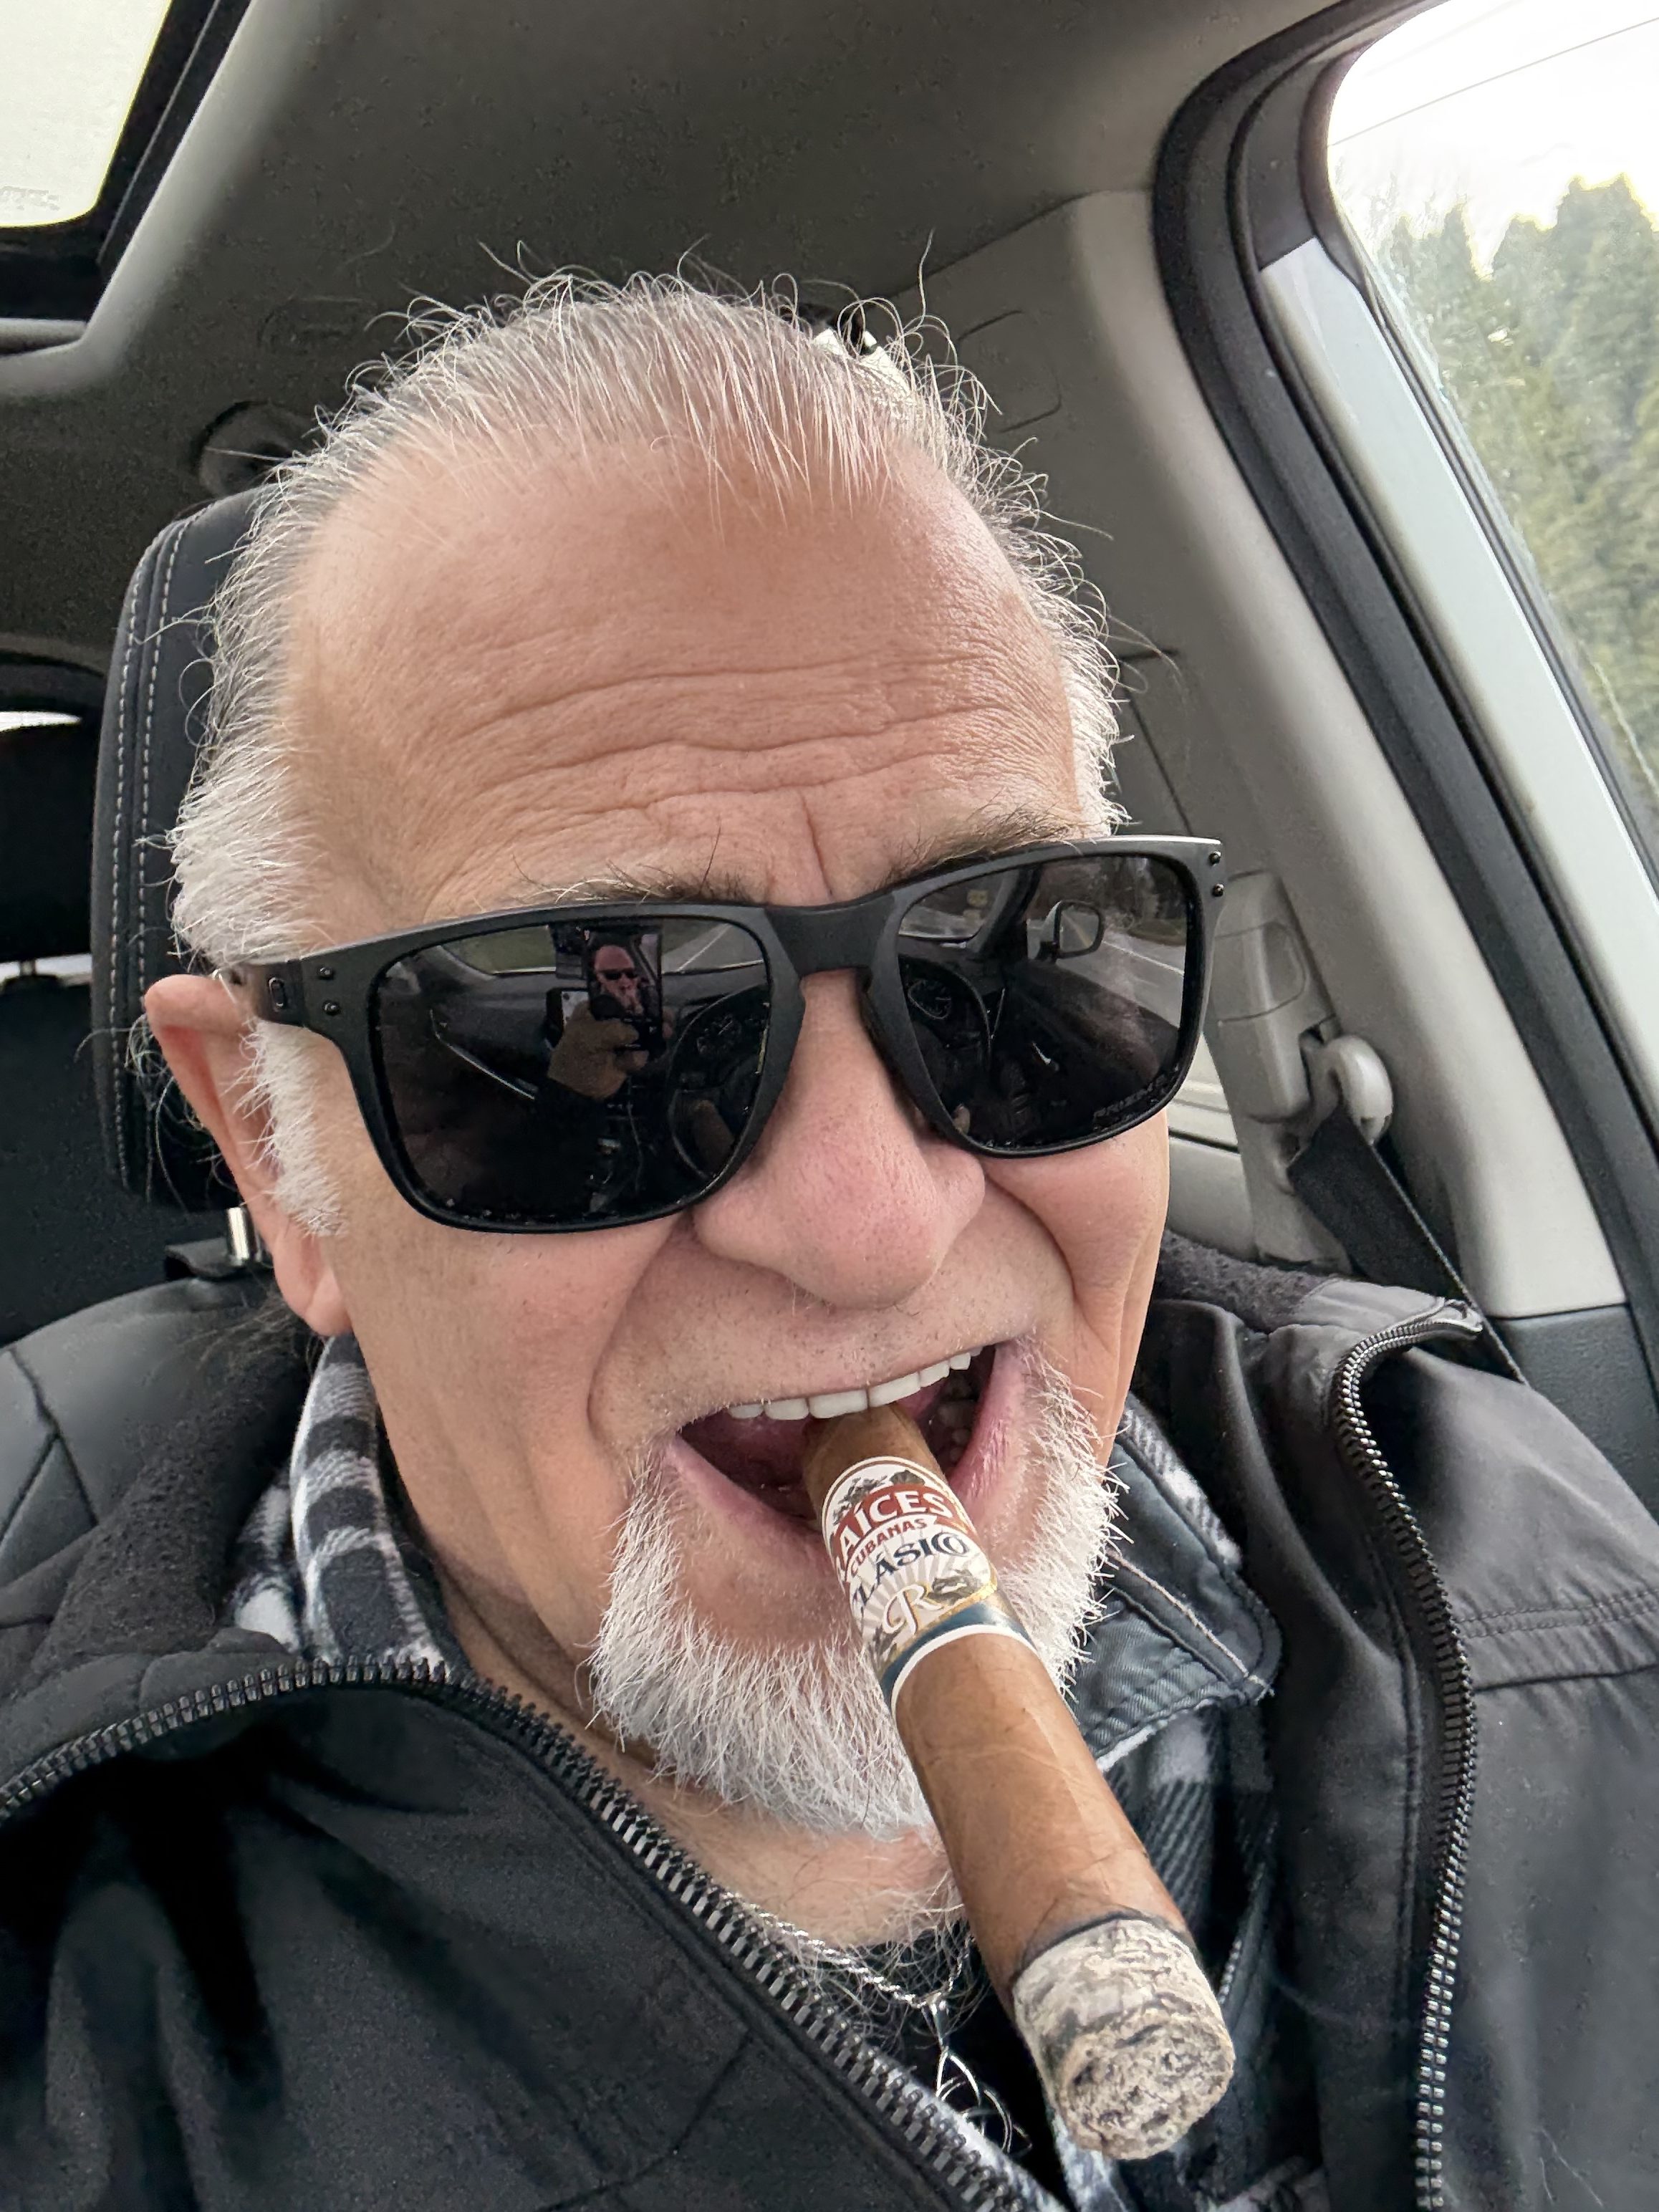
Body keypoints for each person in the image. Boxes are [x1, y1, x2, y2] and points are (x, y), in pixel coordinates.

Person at [2, 277, 1657, 2212]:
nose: (871, 1230)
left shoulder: (1535, 1569)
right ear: (280, 1161)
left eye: (1010, 956)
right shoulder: (67, 2047)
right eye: (587, 1030)